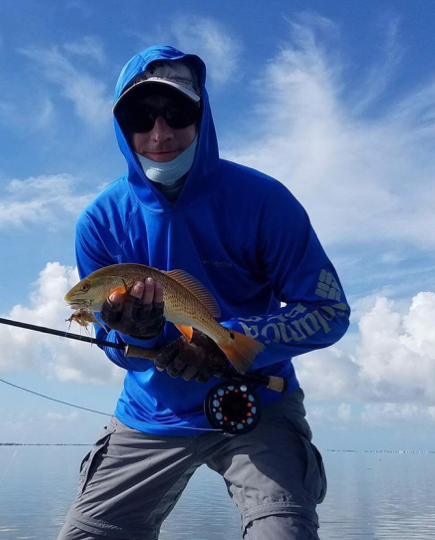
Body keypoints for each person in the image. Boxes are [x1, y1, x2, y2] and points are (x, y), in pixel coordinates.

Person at [58, 45, 350, 540]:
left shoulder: (264, 202)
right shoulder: (100, 222)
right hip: (152, 412)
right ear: (121, 127)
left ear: (203, 114)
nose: (159, 134)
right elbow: (115, 347)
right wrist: (145, 339)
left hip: (259, 400)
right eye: (139, 117)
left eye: (178, 113)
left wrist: (227, 338)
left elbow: (329, 311)